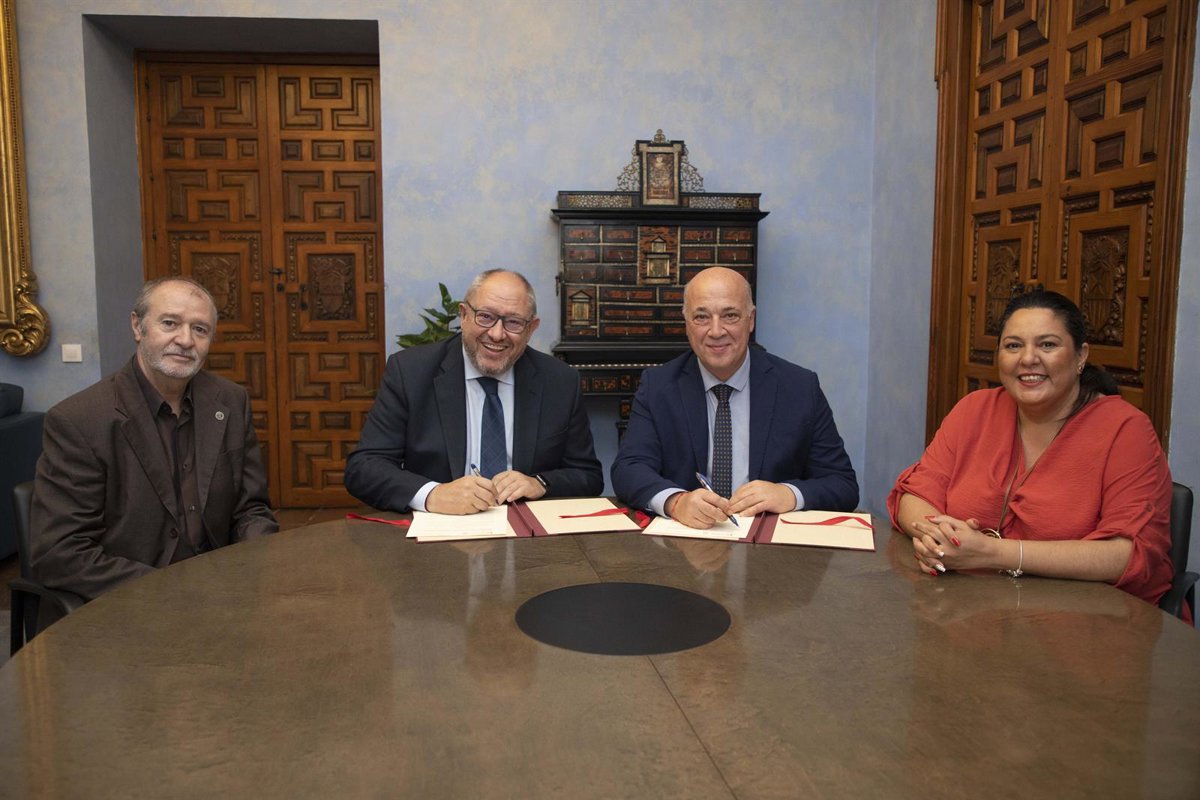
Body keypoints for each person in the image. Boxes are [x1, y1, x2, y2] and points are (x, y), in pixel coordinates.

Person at [888, 290, 1175, 608]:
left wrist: (992, 553)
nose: (1027, 359)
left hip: (1085, 619)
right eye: (1013, 345)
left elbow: (1125, 554)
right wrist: (937, 538)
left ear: (1080, 356)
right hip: (968, 609)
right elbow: (916, 494)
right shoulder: (974, 409)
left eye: (1047, 345)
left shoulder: (1126, 429)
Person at [31, 277, 278, 606]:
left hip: (223, 596)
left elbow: (251, 510)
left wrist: (252, 566)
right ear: (138, 326)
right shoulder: (80, 420)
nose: (185, 340)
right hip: (132, 603)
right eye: (170, 323)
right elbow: (60, 552)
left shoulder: (230, 401)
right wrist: (171, 591)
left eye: (200, 329)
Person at [611, 267, 858, 528]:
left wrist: (788, 494)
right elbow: (628, 469)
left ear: (751, 320)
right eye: (702, 317)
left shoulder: (799, 387)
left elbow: (842, 484)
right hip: (687, 539)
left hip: (771, 543)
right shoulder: (658, 386)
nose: (716, 331)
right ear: (687, 324)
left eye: (730, 315)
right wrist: (675, 501)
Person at [344, 269, 603, 513]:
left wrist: (540, 483)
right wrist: (433, 494)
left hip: (527, 530)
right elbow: (364, 468)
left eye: (513, 322)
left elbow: (588, 476)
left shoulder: (559, 381)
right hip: (441, 528)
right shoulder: (411, 372)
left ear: (531, 329)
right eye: (485, 317)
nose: (497, 334)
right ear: (464, 315)